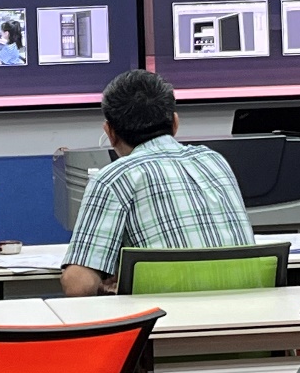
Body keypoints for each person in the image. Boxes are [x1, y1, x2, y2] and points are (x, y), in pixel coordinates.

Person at [61, 70, 255, 296]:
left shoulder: (114, 179)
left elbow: (78, 285)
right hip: (249, 310)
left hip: (171, 315)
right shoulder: (214, 161)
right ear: (175, 122)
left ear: (110, 132)